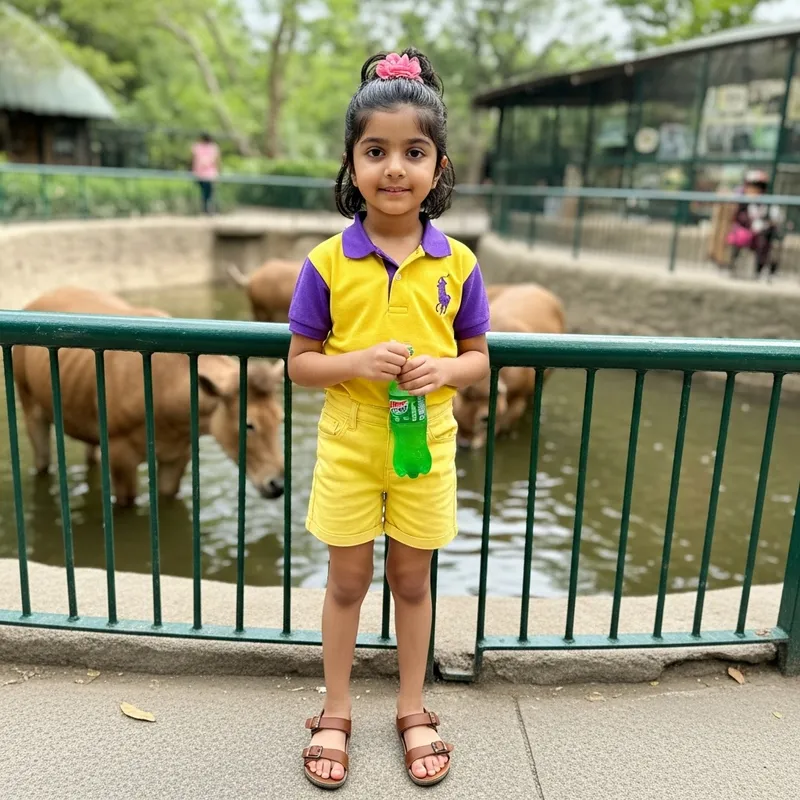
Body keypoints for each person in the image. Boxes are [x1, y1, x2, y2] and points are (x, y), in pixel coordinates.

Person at [287, 48, 491, 790]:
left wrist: (446, 372)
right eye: (376, 151)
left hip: (426, 446)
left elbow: (479, 360)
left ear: (439, 167)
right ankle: (334, 710)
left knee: (412, 581)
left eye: (414, 152)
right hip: (348, 445)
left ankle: (412, 706)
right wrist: (355, 362)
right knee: (347, 581)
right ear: (352, 164)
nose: (395, 168)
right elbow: (300, 362)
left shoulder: (459, 263)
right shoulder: (325, 262)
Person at [727, 169, 785, 280]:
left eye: (758, 186)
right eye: (752, 185)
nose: (755, 189)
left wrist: (766, 224)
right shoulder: (742, 201)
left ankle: (760, 270)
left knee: (767, 238)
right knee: (740, 236)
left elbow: (776, 217)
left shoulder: (767, 202)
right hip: (745, 232)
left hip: (761, 234)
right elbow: (740, 219)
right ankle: (732, 265)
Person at [190, 132, 220, 214]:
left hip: (203, 174)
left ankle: (206, 210)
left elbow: (192, 159)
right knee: (208, 193)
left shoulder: (198, 147)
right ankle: (207, 210)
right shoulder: (212, 147)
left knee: (205, 193)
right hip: (207, 174)